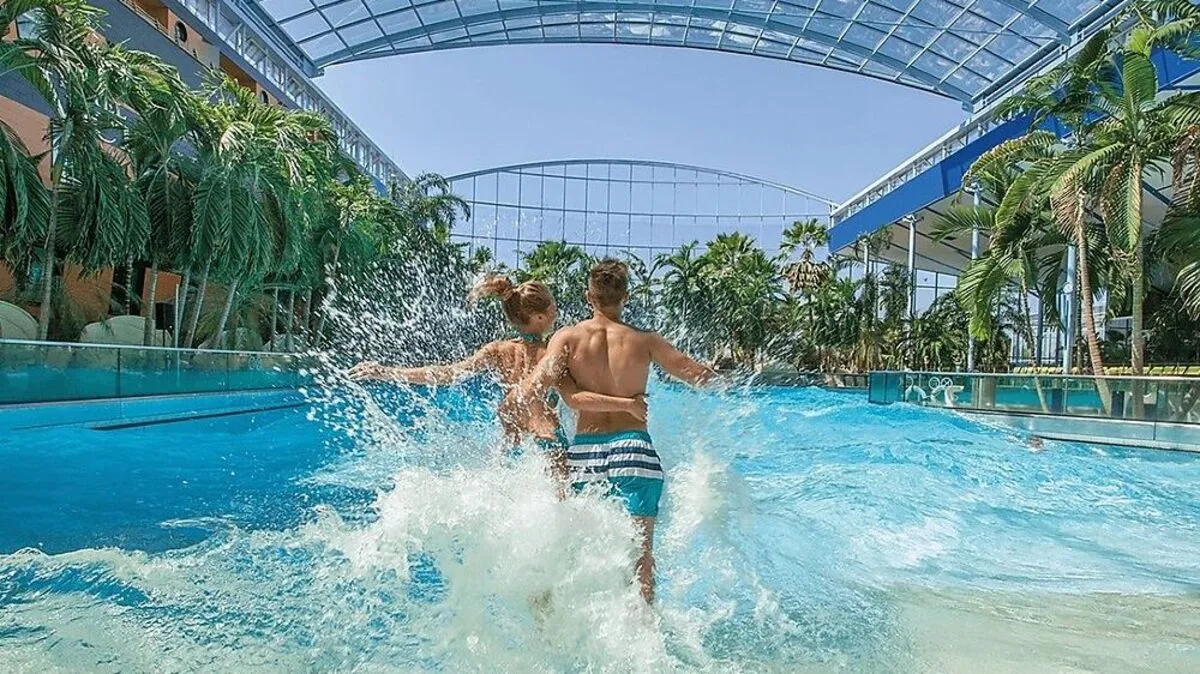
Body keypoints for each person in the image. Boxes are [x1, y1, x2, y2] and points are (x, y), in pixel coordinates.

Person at [519, 259, 715, 603]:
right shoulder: (646, 341)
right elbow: (695, 374)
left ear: (588, 297)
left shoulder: (567, 337)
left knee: (580, 550)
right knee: (642, 560)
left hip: (585, 454)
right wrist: (731, 382)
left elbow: (535, 386)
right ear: (626, 297)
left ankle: (553, 619)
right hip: (634, 450)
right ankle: (643, 637)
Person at [348, 275, 647, 473]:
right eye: (554, 306)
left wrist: (385, 371)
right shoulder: (555, 354)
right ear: (540, 317)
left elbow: (447, 374)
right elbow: (576, 396)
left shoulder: (496, 350)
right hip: (548, 440)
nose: (558, 311)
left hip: (511, 445)